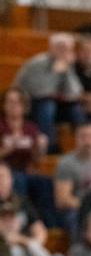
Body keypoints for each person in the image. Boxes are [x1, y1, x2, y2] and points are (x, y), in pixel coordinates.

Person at [13, 33, 85, 150]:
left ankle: (83, 144)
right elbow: (39, 92)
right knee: (47, 106)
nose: (65, 52)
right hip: (31, 104)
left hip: (57, 104)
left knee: (76, 109)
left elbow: (75, 92)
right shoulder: (36, 63)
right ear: (51, 48)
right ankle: (50, 147)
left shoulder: (67, 64)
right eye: (61, 48)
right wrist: (54, 72)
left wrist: (67, 71)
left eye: (69, 49)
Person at [0, 88, 54, 226]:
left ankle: (46, 222)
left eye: (18, 102)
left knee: (45, 183)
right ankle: (18, 219)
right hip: (5, 172)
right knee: (18, 180)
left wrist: (41, 148)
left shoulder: (31, 128)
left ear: (24, 106)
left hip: (26, 170)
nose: (14, 106)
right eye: (10, 102)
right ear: (3, 105)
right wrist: (7, 149)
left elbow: (37, 160)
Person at [54, 123, 91, 239]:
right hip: (78, 209)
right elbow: (62, 200)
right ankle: (80, 254)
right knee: (77, 217)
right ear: (76, 139)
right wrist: (89, 207)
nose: (88, 141)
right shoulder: (67, 163)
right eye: (83, 137)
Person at [0, 161, 47, 246]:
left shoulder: (22, 201)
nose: (1, 181)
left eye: (3, 177)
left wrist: (25, 241)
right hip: (6, 250)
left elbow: (40, 230)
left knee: (36, 250)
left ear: (11, 179)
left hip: (27, 247)